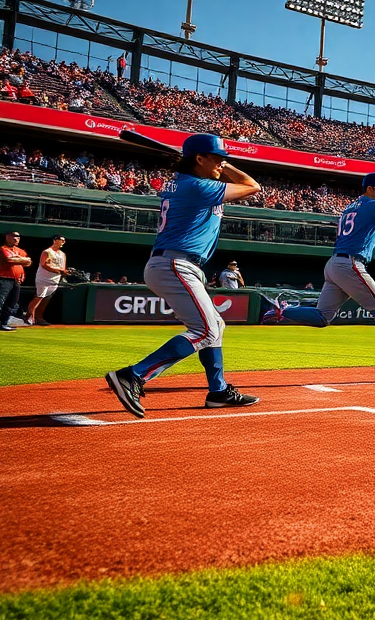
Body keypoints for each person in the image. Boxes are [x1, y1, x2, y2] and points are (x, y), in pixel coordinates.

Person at [104, 134, 263, 417]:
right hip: (176, 263)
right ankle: (134, 375)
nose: (221, 164)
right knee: (205, 330)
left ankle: (218, 391)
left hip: (175, 263)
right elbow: (252, 186)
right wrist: (223, 168)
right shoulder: (197, 186)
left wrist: (212, 164)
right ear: (199, 159)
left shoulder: (190, 182)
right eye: (217, 158)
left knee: (215, 325)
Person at [262, 173, 375, 378]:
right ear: (369, 189)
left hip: (335, 264)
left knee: (323, 317)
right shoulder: (370, 205)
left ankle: (282, 311)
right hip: (350, 263)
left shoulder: (358, 207)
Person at [25, 234, 68, 326]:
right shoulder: (47, 251)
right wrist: (57, 270)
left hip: (55, 280)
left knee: (46, 299)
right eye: (61, 240)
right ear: (55, 240)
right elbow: (44, 264)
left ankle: (39, 318)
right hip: (44, 278)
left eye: (64, 240)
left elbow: (63, 267)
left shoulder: (62, 254)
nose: (63, 242)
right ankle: (29, 317)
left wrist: (63, 272)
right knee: (39, 297)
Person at [0, 231, 32, 331]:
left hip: (16, 280)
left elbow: (29, 262)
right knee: (1, 302)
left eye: (17, 237)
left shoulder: (20, 250)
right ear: (7, 237)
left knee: (11, 303)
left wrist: (19, 258)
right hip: (4, 278)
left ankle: (3, 323)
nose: (15, 238)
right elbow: (9, 260)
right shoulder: (3, 248)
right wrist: (22, 260)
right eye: (13, 236)